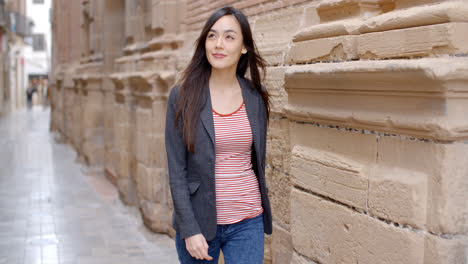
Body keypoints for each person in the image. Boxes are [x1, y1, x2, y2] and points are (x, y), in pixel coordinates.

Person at [165, 6, 272, 264]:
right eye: (212, 36)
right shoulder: (182, 97)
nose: (218, 44)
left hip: (247, 222)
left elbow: (257, 161)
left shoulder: (256, 97)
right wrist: (189, 229)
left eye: (229, 37)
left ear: (244, 47)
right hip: (199, 223)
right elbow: (177, 171)